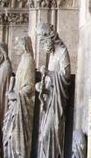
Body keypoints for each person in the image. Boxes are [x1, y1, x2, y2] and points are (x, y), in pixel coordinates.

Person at [36, 23, 71, 158]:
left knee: (48, 135)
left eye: (43, 41)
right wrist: (41, 87)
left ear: (49, 37)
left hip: (57, 103)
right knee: (42, 136)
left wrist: (49, 73)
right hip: (50, 101)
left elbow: (66, 76)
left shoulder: (62, 51)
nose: (42, 45)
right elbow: (50, 83)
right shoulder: (52, 54)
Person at [3, 36, 36, 158]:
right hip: (16, 105)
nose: (15, 48)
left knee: (16, 139)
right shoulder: (23, 60)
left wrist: (15, 95)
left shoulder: (28, 61)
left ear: (24, 46)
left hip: (23, 106)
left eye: (18, 45)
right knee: (10, 136)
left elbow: (29, 87)